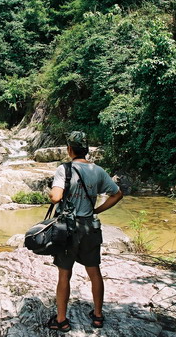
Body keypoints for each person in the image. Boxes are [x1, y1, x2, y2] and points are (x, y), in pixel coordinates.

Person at [46, 131, 123, 332]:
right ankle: (98, 316)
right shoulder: (98, 171)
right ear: (86, 150)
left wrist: (51, 191)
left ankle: (61, 320)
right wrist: (96, 210)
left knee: (64, 275)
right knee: (94, 272)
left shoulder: (64, 169)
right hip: (90, 227)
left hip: (68, 230)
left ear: (69, 149)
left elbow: (55, 197)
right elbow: (117, 194)